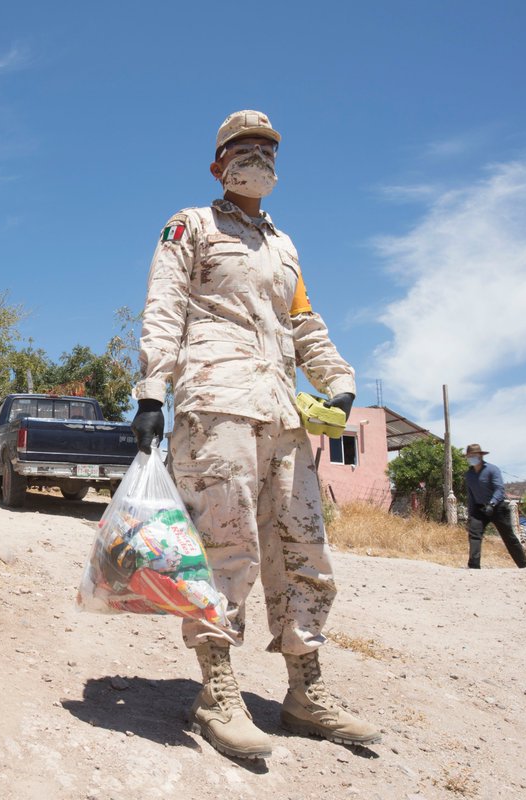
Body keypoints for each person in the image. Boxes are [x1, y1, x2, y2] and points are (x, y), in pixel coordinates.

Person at [130, 110, 380, 759]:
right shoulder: (191, 226)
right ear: (219, 165)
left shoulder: (283, 247)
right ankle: (218, 688)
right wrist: (152, 391)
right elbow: (164, 306)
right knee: (227, 545)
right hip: (216, 405)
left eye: (268, 149)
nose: (258, 157)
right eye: (244, 148)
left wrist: (338, 378)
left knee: (306, 547)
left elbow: (304, 322)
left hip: (283, 413)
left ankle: (306, 691)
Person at [463, 443, 526, 569]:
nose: (471, 457)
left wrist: (492, 504)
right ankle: (473, 566)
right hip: (479, 508)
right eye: (469, 456)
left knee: (508, 537)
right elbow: (470, 495)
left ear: (480, 456)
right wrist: (470, 514)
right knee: (474, 534)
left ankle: (524, 566)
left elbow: (499, 489)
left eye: (474, 455)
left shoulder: (492, 469)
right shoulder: (469, 475)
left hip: (497, 507)